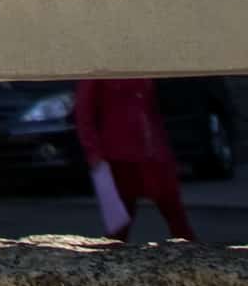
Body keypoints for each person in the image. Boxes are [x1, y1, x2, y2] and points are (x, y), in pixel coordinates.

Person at [73, 77, 199, 243]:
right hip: (119, 157)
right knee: (119, 226)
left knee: (176, 217)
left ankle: (193, 259)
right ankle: (111, 263)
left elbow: (151, 110)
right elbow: (84, 112)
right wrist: (94, 153)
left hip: (153, 154)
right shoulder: (99, 72)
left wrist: (164, 151)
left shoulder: (140, 70)